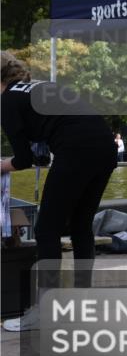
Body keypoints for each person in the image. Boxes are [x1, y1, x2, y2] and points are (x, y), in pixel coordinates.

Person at [1, 51, 117, 332]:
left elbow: (23, 160)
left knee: (46, 231)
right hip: (105, 147)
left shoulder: (6, 101)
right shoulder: (38, 86)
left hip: (76, 150)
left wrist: (3, 166)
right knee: (80, 226)